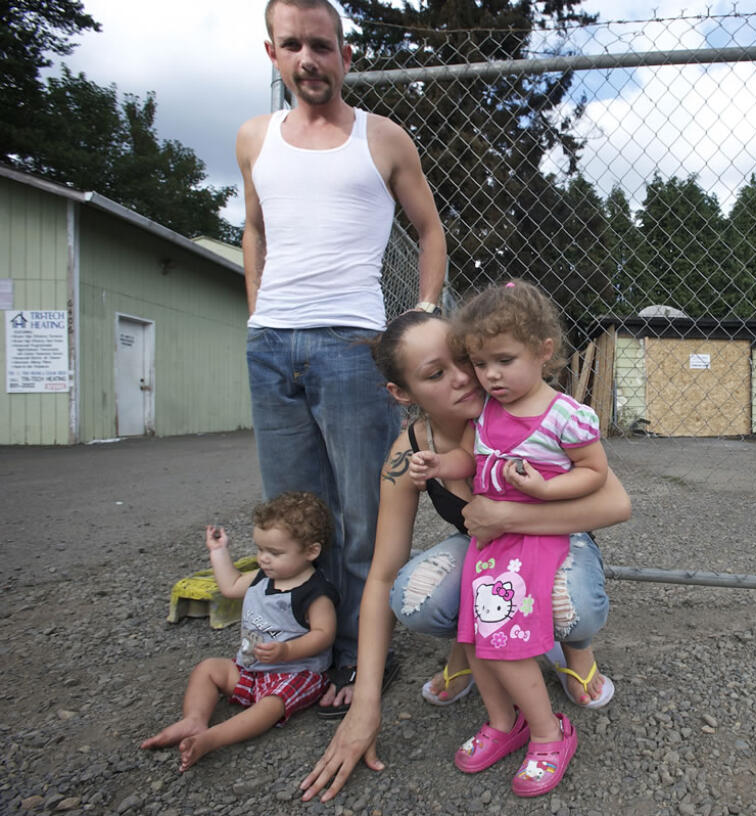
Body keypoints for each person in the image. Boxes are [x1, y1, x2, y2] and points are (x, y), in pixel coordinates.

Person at [301, 310, 629, 802]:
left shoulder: (526, 408)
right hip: (489, 547)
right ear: (402, 393)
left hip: (559, 536)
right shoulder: (410, 451)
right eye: (435, 374)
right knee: (414, 596)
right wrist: (364, 705)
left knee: (573, 606)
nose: (465, 377)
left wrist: (509, 517)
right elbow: (381, 574)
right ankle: (475, 654)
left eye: (463, 359)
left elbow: (615, 503)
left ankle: (573, 652)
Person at [236, 0, 447, 709]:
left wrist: (421, 312)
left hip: (351, 345)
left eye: (320, 46)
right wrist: (256, 310)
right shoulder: (253, 139)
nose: (308, 60)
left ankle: (360, 656)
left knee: (364, 513)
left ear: (345, 55)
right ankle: (308, 648)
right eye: (292, 46)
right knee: (300, 517)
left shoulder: (382, 138)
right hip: (271, 348)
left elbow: (429, 229)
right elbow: (255, 230)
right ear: (273, 54)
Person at [409, 281, 606, 796]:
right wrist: (437, 464)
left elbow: (594, 474)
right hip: (488, 546)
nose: (490, 375)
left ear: (543, 351)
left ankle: (548, 732)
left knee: (509, 640)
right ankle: (503, 722)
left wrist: (545, 487)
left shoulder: (565, 415)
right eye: (480, 363)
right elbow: (469, 462)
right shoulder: (489, 413)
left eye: (503, 359)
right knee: (477, 636)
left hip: (534, 541)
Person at [141, 492, 338, 772]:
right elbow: (230, 585)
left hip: (296, 672)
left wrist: (287, 650)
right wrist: (219, 551)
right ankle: (194, 719)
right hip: (250, 667)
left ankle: (212, 738)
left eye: (275, 553)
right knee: (208, 669)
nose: (264, 559)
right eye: (260, 550)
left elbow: (324, 634)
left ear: (311, 552)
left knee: (270, 706)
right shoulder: (263, 577)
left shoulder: (314, 593)